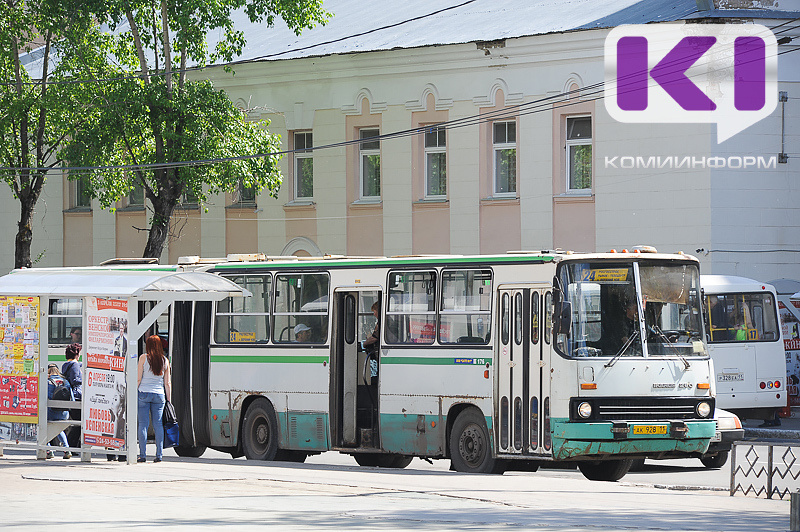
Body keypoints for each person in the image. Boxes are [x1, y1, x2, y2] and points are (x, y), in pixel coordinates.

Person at [137, 335, 171, 463]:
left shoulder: (143, 358)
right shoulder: (165, 360)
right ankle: (159, 455)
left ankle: (142, 455)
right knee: (158, 425)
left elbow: (138, 379)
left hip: (144, 393)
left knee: (143, 424)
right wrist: (169, 400)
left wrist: (134, 392)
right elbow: (167, 383)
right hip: (159, 395)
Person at [46, 364, 72, 459]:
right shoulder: (65, 381)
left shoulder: (47, 382)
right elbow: (71, 398)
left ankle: (48, 450)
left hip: (51, 412)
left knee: (44, 428)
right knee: (59, 429)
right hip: (64, 413)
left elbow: (47, 397)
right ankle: (67, 449)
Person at [361, 301, 380, 378]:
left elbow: (374, 338)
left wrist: (364, 344)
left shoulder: (380, 323)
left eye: (374, 312)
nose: (374, 314)